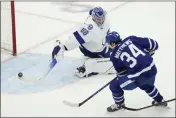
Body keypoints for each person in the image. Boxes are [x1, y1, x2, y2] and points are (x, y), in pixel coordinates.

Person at [105, 31, 167, 112]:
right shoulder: (131, 39)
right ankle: (160, 100)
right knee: (146, 84)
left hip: (139, 77)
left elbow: (121, 74)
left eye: (109, 44)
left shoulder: (114, 56)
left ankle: (119, 104)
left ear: (112, 43)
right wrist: (147, 52)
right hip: (152, 69)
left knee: (114, 85)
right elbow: (154, 44)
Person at [52, 7, 116, 78]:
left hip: (99, 45)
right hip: (91, 51)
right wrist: (63, 47)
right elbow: (76, 39)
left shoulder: (105, 20)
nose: (101, 21)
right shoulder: (89, 28)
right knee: (116, 61)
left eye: (102, 18)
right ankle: (88, 67)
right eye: (98, 19)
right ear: (93, 18)